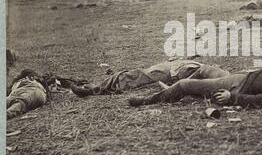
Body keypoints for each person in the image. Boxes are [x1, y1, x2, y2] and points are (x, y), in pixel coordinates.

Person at [128, 68, 262, 108]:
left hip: (237, 85)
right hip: (242, 75)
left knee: (186, 85)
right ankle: (172, 91)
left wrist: (232, 98)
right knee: (203, 72)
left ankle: (147, 100)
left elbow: (261, 100)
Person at [71, 59, 230, 97]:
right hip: (175, 69)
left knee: (135, 78)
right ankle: (94, 88)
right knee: (135, 75)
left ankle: (94, 88)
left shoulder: (227, 85)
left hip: (174, 71)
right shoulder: (227, 79)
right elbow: (202, 71)